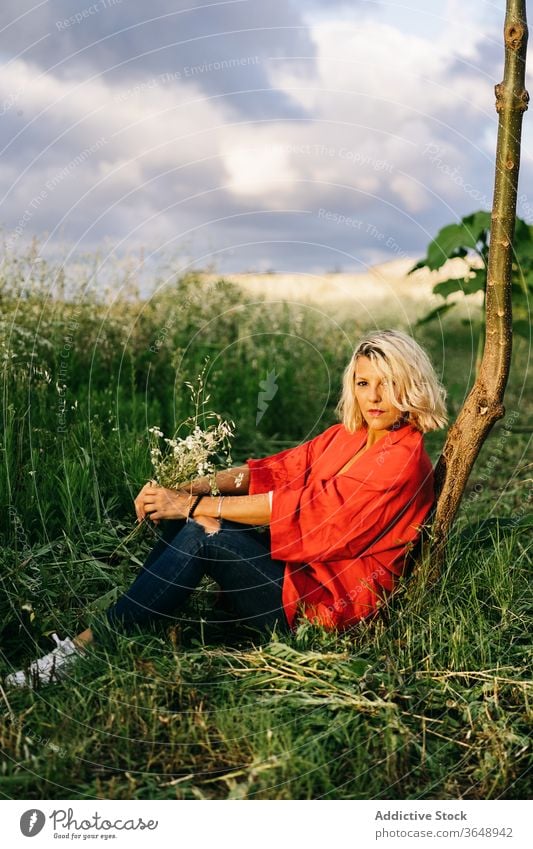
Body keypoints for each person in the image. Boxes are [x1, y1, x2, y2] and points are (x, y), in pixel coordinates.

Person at [5, 329, 447, 688]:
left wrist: (192, 504)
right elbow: (273, 472)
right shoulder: (345, 436)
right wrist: (182, 488)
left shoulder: (402, 462)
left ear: (410, 385)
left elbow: (307, 511)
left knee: (201, 530)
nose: (374, 396)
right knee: (188, 517)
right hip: (295, 577)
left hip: (323, 609)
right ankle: (139, 623)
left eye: (387, 383)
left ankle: (83, 650)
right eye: (364, 382)